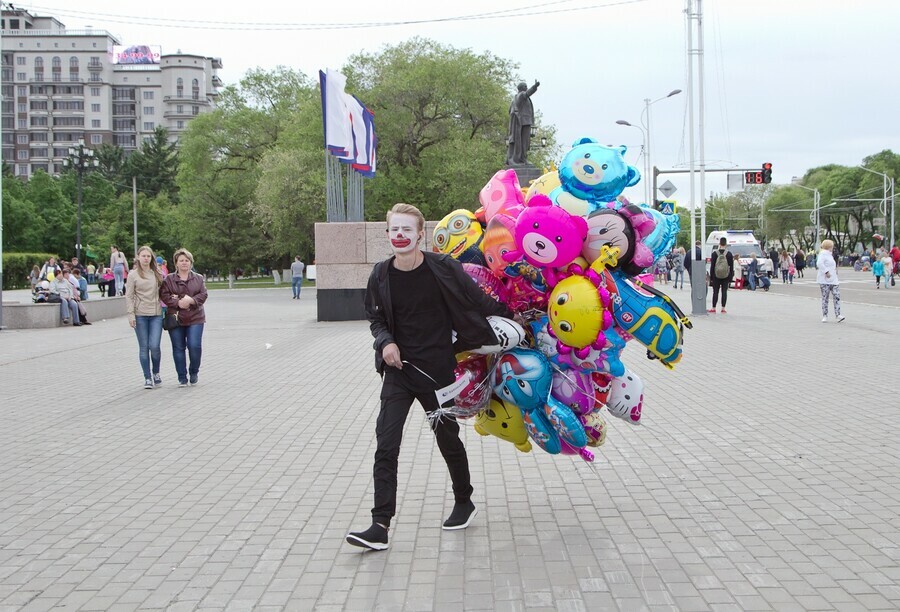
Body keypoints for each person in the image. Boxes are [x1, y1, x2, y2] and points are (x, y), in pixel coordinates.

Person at [346, 203, 514, 551]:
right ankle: (380, 524)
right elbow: (375, 319)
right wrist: (386, 341)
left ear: (420, 234)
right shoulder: (380, 274)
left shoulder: (443, 268)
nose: (400, 235)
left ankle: (464, 501)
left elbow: (477, 300)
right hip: (398, 372)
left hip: (438, 372)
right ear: (388, 233)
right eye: (395, 229)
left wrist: (515, 322)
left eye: (408, 229)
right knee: (386, 443)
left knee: (447, 438)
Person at [160, 248, 208, 387]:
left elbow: (203, 294)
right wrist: (178, 302)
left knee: (194, 345)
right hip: (176, 318)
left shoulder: (198, 278)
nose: (184, 263)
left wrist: (191, 301)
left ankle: (194, 371)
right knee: (178, 348)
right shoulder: (169, 279)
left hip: (195, 317)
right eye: (181, 260)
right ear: (176, 263)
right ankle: (182, 377)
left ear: (191, 263)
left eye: (187, 260)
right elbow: (164, 295)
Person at [126, 246, 165, 389]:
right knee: (144, 347)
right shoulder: (133, 275)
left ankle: (156, 372)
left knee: (154, 346)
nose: (146, 258)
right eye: (143, 256)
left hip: (156, 314)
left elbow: (164, 291)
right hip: (140, 314)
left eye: (148, 256)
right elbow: (129, 296)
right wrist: (131, 315)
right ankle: (147, 377)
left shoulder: (157, 273)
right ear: (138, 257)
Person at [505, 80, 540, 166]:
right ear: (521, 88)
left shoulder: (520, 97)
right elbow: (527, 93)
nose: (526, 88)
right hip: (522, 122)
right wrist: (534, 87)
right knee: (521, 142)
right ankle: (518, 159)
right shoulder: (521, 95)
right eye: (525, 87)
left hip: (525, 122)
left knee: (525, 142)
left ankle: (523, 159)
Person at [817, 239, 844, 323]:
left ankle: (838, 314)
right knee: (825, 298)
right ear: (829, 246)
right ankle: (825, 315)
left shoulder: (830, 255)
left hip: (833, 280)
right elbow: (819, 264)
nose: (833, 248)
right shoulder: (823, 254)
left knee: (837, 296)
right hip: (825, 280)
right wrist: (826, 271)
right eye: (832, 246)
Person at [708, 237, 733, 313]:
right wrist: (730, 277)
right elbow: (731, 267)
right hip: (726, 275)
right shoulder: (729, 254)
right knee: (724, 291)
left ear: (719, 244)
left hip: (716, 275)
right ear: (726, 244)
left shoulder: (714, 254)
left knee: (715, 292)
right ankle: (723, 308)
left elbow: (712, 266)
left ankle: (714, 307)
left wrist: (711, 277)